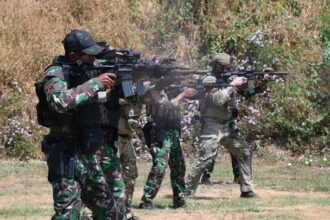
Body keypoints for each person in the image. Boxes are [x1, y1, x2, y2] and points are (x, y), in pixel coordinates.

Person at [37, 29, 126, 219]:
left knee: (110, 211)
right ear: (73, 55)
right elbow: (60, 102)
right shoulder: (56, 73)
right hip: (65, 152)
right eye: (89, 56)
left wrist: (105, 92)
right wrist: (94, 84)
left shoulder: (85, 74)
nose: (94, 60)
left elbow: (86, 101)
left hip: (88, 151)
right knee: (68, 214)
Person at [185, 53, 257, 198]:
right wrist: (232, 85)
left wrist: (255, 82)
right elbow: (217, 100)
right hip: (212, 124)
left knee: (244, 152)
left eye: (229, 67)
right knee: (206, 158)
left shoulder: (230, 79)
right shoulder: (209, 80)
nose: (227, 69)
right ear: (217, 66)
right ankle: (186, 190)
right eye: (225, 67)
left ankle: (247, 189)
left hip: (227, 125)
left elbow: (249, 93)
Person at [138, 87, 196, 209]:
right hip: (160, 132)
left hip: (173, 132)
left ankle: (179, 200)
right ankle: (146, 200)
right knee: (160, 166)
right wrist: (183, 95)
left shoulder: (173, 90)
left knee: (179, 167)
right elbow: (165, 106)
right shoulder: (154, 88)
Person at [115, 96, 144, 220]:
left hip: (127, 139)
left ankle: (126, 211)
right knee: (110, 176)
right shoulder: (110, 91)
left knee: (130, 175)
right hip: (113, 139)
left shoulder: (136, 94)